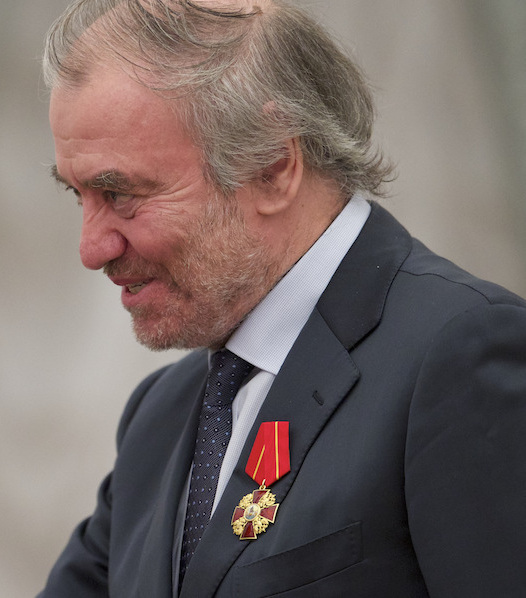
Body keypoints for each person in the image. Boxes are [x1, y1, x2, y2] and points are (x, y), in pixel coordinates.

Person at [38, 0, 526, 596]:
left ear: (271, 167)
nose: (92, 248)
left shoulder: (459, 359)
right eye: (79, 195)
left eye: (120, 195)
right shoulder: (160, 416)